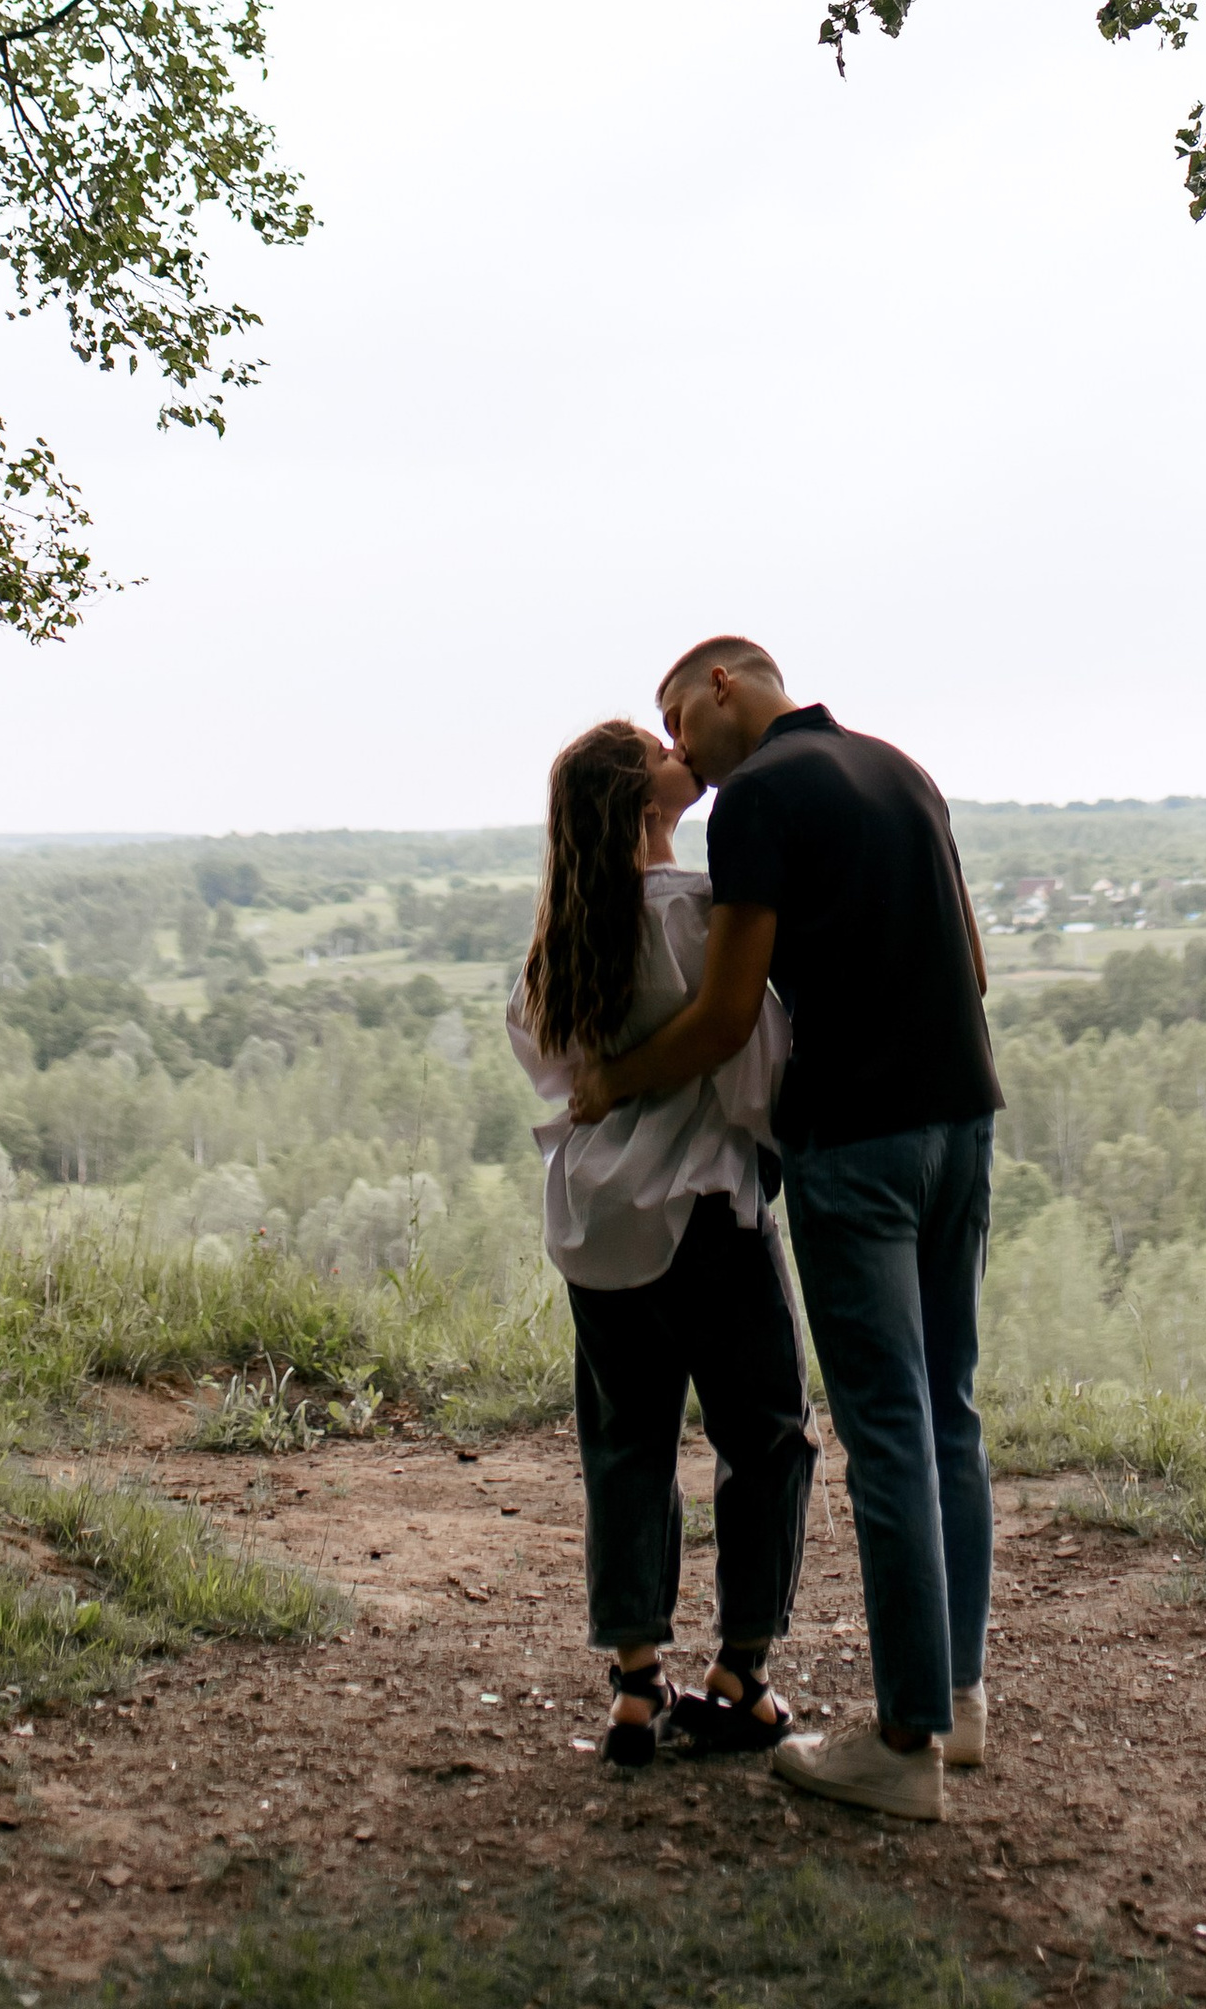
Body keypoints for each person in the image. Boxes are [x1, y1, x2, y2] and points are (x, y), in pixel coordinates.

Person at [567, 638, 1002, 1823]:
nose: (679, 750)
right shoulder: (901, 769)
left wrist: (613, 1083)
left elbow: (722, 1017)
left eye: (677, 717)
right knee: (949, 1411)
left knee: (886, 1429)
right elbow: (969, 965)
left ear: (724, 684)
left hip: (856, 1142)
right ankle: (958, 1700)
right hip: (962, 1119)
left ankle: (902, 1745)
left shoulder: (754, 799)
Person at [509, 717, 814, 1768]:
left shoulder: (563, 937)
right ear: (648, 801)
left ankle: (637, 1684)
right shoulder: (695, 912)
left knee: (626, 1444)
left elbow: (548, 1065)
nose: (681, 749)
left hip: (598, 1222)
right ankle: (742, 1672)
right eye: (660, 748)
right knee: (766, 1433)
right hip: (704, 1209)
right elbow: (755, 1061)